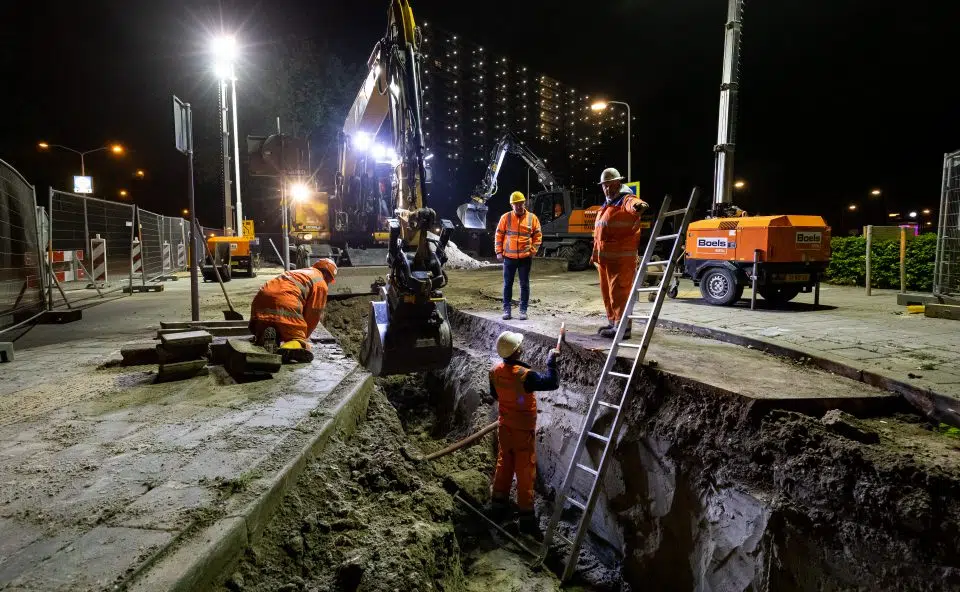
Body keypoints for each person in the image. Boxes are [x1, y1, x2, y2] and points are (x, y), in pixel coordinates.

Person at [488, 330, 560, 537]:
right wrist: (551, 362)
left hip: (505, 428)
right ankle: (527, 519)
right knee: (525, 471)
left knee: (504, 463)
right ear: (517, 351)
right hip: (523, 432)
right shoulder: (525, 375)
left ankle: (498, 505)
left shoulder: (494, 371)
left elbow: (495, 394)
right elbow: (552, 383)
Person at [590, 168, 649, 339]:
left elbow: (635, 205)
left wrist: (639, 206)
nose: (607, 189)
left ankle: (623, 329)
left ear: (618, 183)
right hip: (605, 260)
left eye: (610, 185)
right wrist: (594, 256)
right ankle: (613, 323)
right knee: (608, 293)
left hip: (621, 259)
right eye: (604, 186)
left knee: (620, 293)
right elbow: (600, 234)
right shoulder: (608, 204)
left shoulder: (626, 199)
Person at [248, 258, 338, 363]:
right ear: (328, 276)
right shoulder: (320, 283)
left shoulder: (299, 272)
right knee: (298, 339)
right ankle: (289, 348)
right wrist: (303, 337)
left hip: (260, 302)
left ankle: (268, 333)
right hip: (285, 303)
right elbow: (314, 313)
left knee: (277, 325)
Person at [495, 191, 542, 321]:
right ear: (512, 205)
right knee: (507, 285)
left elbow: (538, 236)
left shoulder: (532, 218)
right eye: (516, 204)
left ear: (524, 203)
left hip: (525, 258)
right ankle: (507, 309)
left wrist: (533, 251)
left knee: (524, 285)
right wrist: (499, 251)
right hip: (509, 258)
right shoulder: (506, 217)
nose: (518, 206)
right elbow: (499, 235)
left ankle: (523, 310)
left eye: (520, 204)